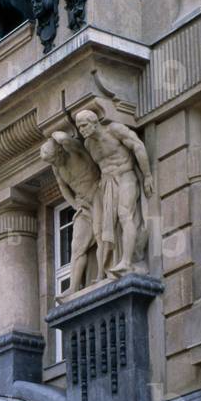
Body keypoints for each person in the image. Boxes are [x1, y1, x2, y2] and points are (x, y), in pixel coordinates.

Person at [75, 110, 153, 277]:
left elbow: (138, 146)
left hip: (126, 176)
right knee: (109, 225)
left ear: (94, 122)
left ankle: (127, 261)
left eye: (84, 125)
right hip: (107, 184)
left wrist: (147, 176)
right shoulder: (89, 144)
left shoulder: (115, 129)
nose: (81, 130)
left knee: (125, 215)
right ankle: (116, 262)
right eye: (79, 127)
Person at [42, 132, 103, 293]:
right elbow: (63, 187)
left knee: (102, 235)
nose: (54, 163)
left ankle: (103, 274)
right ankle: (74, 286)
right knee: (77, 246)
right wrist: (75, 205)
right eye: (51, 162)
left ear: (60, 151)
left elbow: (66, 139)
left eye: (54, 159)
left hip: (98, 196)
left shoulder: (76, 153)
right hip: (82, 205)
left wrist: (53, 132)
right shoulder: (57, 167)